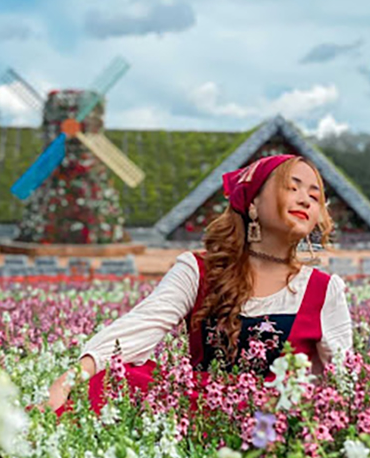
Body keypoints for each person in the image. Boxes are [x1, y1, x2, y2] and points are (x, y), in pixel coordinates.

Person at [45, 154, 353, 414]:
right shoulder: (198, 270)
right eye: (292, 187)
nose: (305, 200)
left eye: (315, 196)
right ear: (253, 205)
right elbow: (138, 329)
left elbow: (342, 378)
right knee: (114, 379)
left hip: (274, 424)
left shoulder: (324, 290)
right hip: (198, 415)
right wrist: (69, 380)